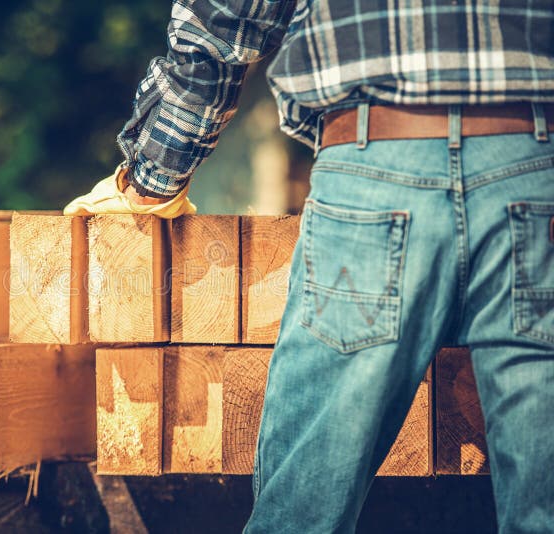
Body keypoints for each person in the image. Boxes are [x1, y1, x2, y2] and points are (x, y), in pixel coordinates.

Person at [65, 0, 554, 531]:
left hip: (375, 166)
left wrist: (149, 179)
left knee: (299, 515)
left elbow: (225, 22)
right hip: (536, 170)